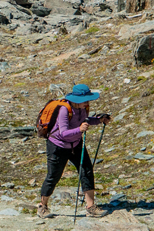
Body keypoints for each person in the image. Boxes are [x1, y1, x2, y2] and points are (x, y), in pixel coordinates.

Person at [38, 83, 110, 218]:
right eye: (86, 100)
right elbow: (63, 132)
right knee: (53, 175)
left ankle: (91, 206)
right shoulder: (64, 110)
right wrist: (79, 129)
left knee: (86, 170)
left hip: (75, 144)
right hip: (57, 145)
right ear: (77, 100)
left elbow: (86, 121)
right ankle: (43, 206)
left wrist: (100, 120)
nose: (88, 102)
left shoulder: (83, 108)